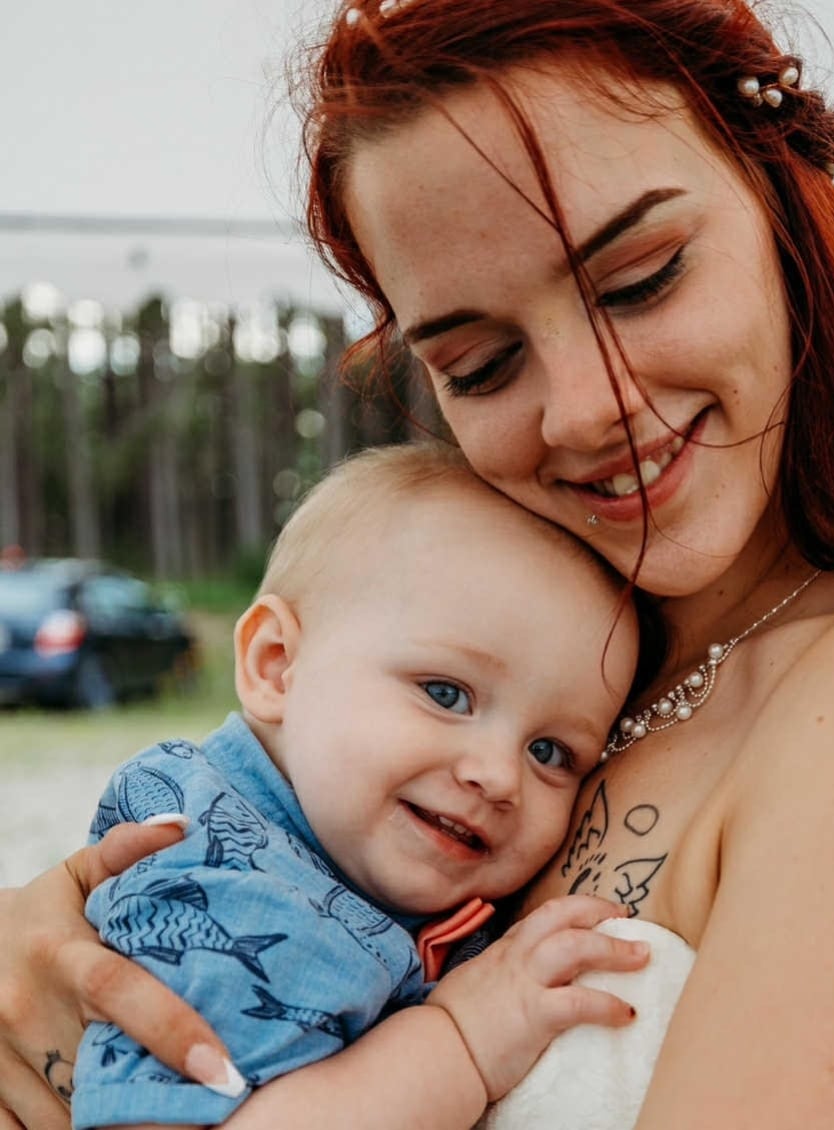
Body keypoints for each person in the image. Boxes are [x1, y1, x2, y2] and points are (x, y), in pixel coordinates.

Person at [0, 1, 834, 1127]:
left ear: (784, 214)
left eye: (642, 280)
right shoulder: (532, 688)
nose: (588, 408)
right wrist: (44, 955)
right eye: (486, 362)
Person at [69, 443, 647, 1129]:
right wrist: (460, 1041)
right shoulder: (233, 883)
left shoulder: (343, 857)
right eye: (446, 693)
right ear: (278, 666)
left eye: (550, 751)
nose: (497, 776)